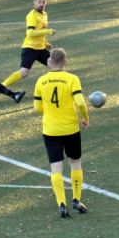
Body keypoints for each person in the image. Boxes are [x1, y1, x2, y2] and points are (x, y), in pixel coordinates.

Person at [33, 48, 89, 218]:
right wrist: (85, 117)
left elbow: (37, 108)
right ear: (65, 62)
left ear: (50, 62)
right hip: (70, 129)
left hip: (50, 130)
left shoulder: (41, 81)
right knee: (75, 163)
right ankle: (76, 199)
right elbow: (79, 102)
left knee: (56, 168)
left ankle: (62, 204)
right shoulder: (72, 79)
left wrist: (49, 112)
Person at [0, 0, 56, 98]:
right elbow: (30, 33)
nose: (41, 4)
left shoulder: (45, 14)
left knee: (55, 66)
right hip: (30, 48)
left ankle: (53, 91)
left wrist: (45, 43)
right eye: (39, 2)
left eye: (43, 2)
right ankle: (1, 86)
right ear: (34, 2)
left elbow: (39, 30)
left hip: (40, 48)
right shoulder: (31, 15)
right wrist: (47, 31)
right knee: (23, 73)